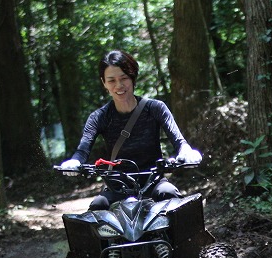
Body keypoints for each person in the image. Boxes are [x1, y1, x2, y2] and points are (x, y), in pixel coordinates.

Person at [59, 50, 202, 210]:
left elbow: (179, 141)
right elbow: (83, 150)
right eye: (111, 80)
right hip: (117, 186)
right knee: (98, 207)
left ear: (133, 77)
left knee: (171, 197)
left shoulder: (155, 108)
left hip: (154, 182)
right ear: (104, 83)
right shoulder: (99, 117)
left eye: (124, 78)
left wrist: (186, 152)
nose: (119, 85)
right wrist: (75, 162)